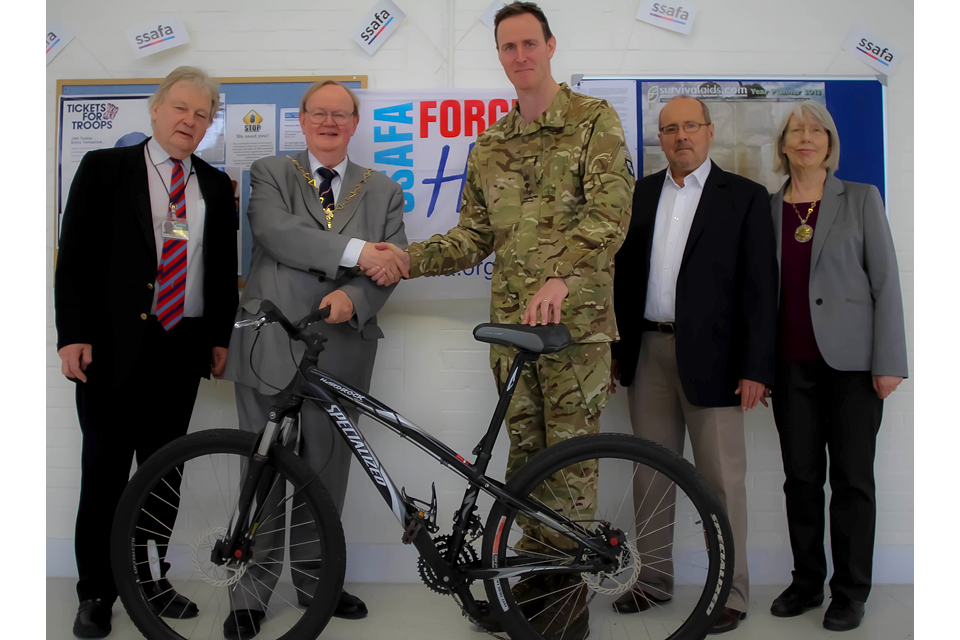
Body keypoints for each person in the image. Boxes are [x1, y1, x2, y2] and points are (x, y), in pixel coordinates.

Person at [370, 3, 633, 637]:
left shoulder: (594, 120)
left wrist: (560, 277)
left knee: (569, 464)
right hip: (513, 334)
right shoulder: (490, 144)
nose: (519, 56)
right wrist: (409, 260)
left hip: (576, 330)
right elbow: (473, 236)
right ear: (500, 57)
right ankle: (533, 588)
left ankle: (566, 607)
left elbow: (611, 214)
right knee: (525, 464)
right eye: (507, 47)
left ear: (549, 46)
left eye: (528, 43)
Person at [55, 66, 239, 639]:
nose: (190, 121)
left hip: (179, 349)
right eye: (180, 108)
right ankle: (96, 594)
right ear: (156, 111)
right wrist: (71, 334)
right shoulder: (105, 169)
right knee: (104, 473)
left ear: (210, 125)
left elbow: (220, 269)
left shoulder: (214, 183)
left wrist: (216, 337)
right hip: (109, 350)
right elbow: (75, 256)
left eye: (202, 114)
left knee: (163, 476)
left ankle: (150, 580)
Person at [221, 80, 407, 640]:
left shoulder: (385, 190)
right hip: (271, 336)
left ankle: (315, 582)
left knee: (327, 468)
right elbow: (276, 234)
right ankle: (249, 592)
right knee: (263, 464)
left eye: (341, 114)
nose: (329, 122)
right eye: (319, 113)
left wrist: (358, 295)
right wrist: (358, 254)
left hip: (342, 338)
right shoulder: (273, 173)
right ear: (302, 120)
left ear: (354, 124)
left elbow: (393, 265)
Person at [611, 95, 778, 634]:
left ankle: (730, 591)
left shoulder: (746, 198)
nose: (681, 136)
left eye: (690, 126)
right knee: (650, 475)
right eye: (670, 129)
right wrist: (618, 353)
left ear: (709, 132)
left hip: (720, 359)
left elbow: (761, 289)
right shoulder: (639, 196)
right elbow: (622, 280)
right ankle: (653, 580)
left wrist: (757, 366)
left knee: (722, 480)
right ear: (660, 139)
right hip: (649, 350)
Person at [766, 101, 907, 632]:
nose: (806, 137)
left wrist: (889, 361)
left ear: (830, 142)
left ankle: (849, 591)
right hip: (790, 366)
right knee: (800, 480)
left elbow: (886, 283)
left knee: (851, 481)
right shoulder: (768, 206)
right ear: (782, 145)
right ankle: (806, 583)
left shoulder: (861, 199)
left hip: (853, 367)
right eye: (796, 130)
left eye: (816, 130)